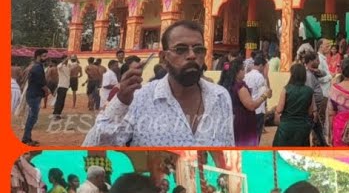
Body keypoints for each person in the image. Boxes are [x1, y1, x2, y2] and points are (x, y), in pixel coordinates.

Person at [84, 22, 234, 146]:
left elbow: (228, 146)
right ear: (163, 58)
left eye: (198, 49)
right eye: (181, 49)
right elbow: (93, 145)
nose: (192, 55)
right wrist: (121, 101)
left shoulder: (220, 97)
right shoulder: (139, 98)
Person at [269, 64, 313, 147]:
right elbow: (310, 112)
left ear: (292, 75)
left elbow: (279, 110)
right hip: (302, 127)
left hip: (286, 127)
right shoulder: (309, 91)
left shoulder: (286, 89)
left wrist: (275, 108)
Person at [328, 59, 349, 146]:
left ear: (342, 71)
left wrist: (330, 132)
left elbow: (331, 113)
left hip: (339, 127)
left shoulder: (335, 89)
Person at [22, 49, 51, 144]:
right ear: (38, 56)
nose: (46, 58)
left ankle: (27, 138)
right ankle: (26, 139)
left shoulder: (35, 66)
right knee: (32, 117)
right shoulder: (38, 67)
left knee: (32, 117)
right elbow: (41, 82)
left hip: (32, 94)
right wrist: (47, 90)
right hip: (34, 95)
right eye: (44, 56)